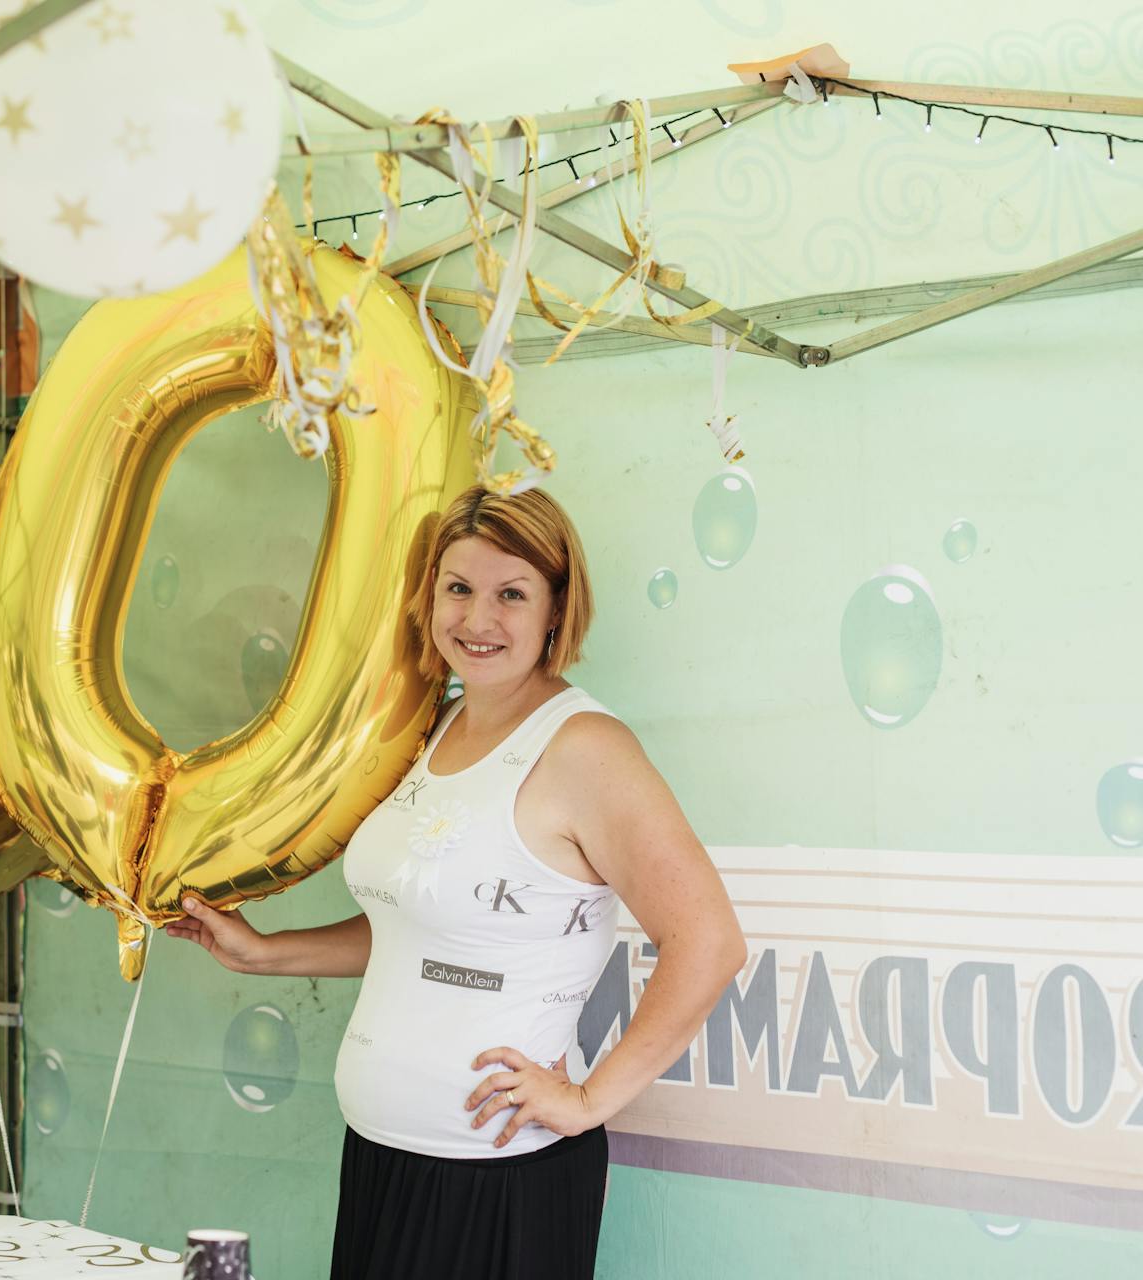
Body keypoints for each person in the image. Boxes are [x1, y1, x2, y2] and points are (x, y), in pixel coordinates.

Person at [166, 484, 746, 1279]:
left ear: (556, 609)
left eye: (511, 594)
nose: (477, 620)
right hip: (381, 1161)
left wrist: (588, 1101)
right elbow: (422, 929)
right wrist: (264, 953)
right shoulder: (426, 725)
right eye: (459, 588)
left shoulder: (585, 749)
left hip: (501, 1181)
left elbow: (708, 943)